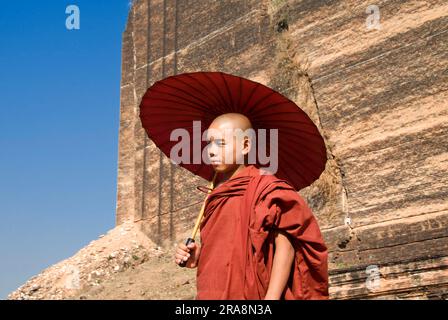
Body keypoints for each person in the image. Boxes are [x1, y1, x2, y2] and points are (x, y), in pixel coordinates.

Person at [174, 113, 329, 300]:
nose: (211, 151)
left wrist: (271, 299)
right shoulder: (214, 195)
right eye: (209, 143)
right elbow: (224, 248)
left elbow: (285, 247)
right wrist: (198, 257)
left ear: (245, 146)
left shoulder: (266, 188)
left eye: (221, 143)